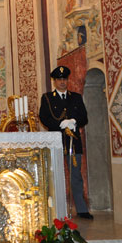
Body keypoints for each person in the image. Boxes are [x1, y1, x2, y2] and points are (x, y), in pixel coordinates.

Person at [38, 66, 92, 219]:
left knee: (76, 176)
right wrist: (60, 124)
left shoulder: (75, 97)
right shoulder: (48, 98)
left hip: (73, 143)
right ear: (54, 81)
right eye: (59, 79)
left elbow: (84, 117)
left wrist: (74, 121)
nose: (62, 82)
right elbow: (44, 117)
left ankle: (81, 209)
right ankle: (56, 209)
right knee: (56, 175)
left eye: (64, 79)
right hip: (56, 141)